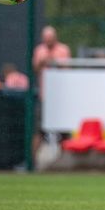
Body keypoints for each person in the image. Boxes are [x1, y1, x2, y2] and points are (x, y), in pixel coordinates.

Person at [31, 25, 71, 155]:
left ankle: (64, 159)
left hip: (61, 98)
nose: (48, 41)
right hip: (45, 96)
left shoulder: (63, 50)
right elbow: (35, 69)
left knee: (64, 131)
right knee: (39, 130)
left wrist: (54, 62)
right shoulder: (39, 50)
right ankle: (32, 161)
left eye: (50, 38)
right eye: (46, 38)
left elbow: (67, 70)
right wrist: (42, 63)